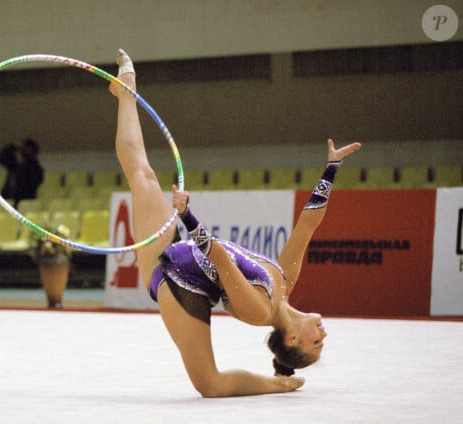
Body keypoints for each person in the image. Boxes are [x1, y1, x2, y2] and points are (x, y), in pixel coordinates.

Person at [109, 49, 361, 397]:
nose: (324, 335)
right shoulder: (285, 279)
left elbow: (222, 261)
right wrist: (331, 169)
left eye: (316, 344)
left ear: (291, 339)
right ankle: (127, 91)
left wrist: (187, 217)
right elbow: (308, 226)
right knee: (143, 175)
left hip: (180, 289)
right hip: (181, 256)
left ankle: (276, 384)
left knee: (210, 384)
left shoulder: (259, 312)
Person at [0, 138, 44, 208]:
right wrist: (13, 146)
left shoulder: (34, 168)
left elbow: (30, 184)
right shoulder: (13, 166)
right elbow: (1, 158)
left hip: (25, 203)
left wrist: (24, 163)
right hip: (9, 201)